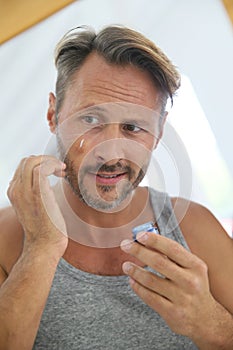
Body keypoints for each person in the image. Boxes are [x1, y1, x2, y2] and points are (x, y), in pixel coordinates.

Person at [0, 25, 232, 350]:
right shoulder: (6, 239)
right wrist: (40, 248)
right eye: (91, 120)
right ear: (53, 114)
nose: (110, 153)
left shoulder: (195, 229)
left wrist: (210, 323)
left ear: (159, 133)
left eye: (133, 127)